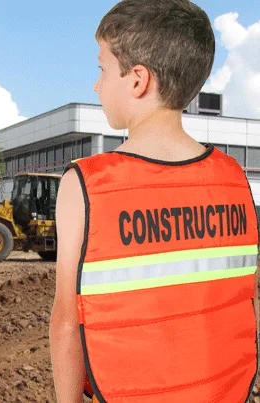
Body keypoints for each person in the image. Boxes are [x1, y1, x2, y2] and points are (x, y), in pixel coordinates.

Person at [49, 1, 259, 402]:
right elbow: (244, 297)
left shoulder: (86, 184)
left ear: (137, 80)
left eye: (102, 68)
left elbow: (66, 321)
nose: (96, 84)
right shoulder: (235, 178)